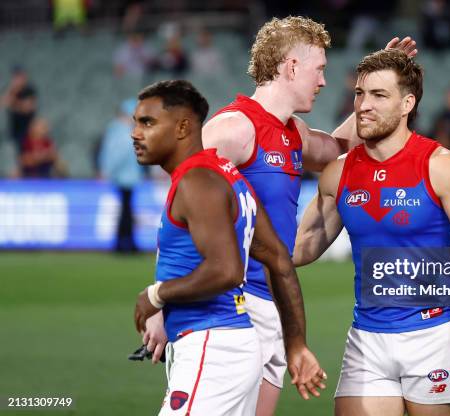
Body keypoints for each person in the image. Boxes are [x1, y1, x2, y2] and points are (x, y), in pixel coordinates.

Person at [143, 16, 417, 416]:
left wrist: (382, 94)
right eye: (319, 68)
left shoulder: (294, 133)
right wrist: (164, 302)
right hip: (226, 309)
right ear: (291, 67)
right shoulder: (234, 128)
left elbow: (339, 148)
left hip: (272, 308)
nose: (323, 81)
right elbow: (181, 215)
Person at [293, 49, 450, 416]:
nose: (363, 105)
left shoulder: (441, 167)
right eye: (359, 94)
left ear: (407, 103)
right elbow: (302, 248)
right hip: (367, 339)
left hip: (434, 336)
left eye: (378, 95)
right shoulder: (337, 173)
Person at [131, 80, 325, 415]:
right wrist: (296, 343)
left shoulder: (198, 181)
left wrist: (155, 296)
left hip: (211, 346)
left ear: (182, 127)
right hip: (236, 344)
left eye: (147, 122)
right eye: (136, 122)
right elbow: (280, 259)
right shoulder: (229, 175)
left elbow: (227, 270)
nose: (135, 133)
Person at [99, 99, 144, 253]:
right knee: (126, 210)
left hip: (126, 176)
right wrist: (108, 170)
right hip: (125, 177)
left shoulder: (117, 129)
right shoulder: (121, 131)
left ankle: (125, 242)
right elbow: (118, 154)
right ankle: (125, 243)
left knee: (126, 209)